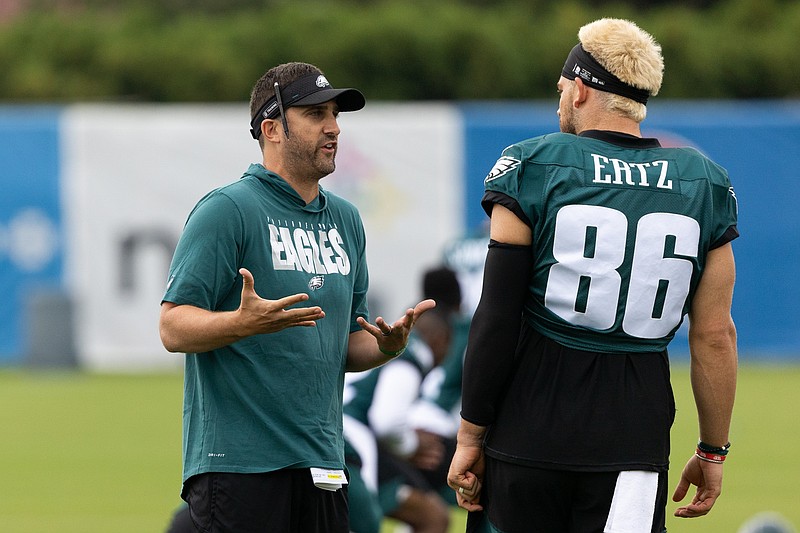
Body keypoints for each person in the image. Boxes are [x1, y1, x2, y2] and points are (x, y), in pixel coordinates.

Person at [447, 18, 738, 533]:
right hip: (633, 432)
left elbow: (496, 314)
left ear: (580, 89)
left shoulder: (533, 164)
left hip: (529, 426)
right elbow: (714, 335)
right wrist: (713, 450)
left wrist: (470, 434)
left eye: (562, 89)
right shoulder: (704, 183)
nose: (559, 101)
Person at [159, 61, 435, 533]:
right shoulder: (228, 210)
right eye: (315, 114)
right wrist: (240, 323)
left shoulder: (346, 220)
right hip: (240, 465)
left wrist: (388, 347)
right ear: (271, 128)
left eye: (335, 115)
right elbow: (171, 326)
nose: (333, 128)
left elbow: (349, 345)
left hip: (325, 462)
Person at [344, 306, 453, 533]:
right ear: (440, 339)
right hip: (352, 441)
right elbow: (388, 421)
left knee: (431, 515)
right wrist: (411, 446)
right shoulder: (414, 352)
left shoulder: (382, 346)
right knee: (366, 524)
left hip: (339, 431)